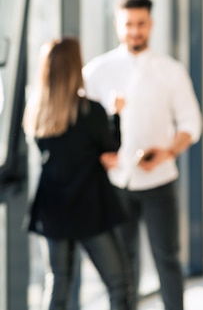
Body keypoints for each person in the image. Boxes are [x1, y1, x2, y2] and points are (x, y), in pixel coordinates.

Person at [82, 0, 202, 310]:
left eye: (141, 23)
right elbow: (83, 126)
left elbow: (192, 122)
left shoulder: (171, 70)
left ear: (151, 24)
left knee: (168, 259)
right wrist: (99, 156)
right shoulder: (96, 71)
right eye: (128, 24)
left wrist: (168, 152)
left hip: (160, 180)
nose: (135, 30)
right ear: (117, 25)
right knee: (123, 266)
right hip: (115, 182)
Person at [23, 37, 132, 310]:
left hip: (52, 206)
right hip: (89, 205)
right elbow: (111, 148)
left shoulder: (37, 111)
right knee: (119, 284)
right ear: (75, 67)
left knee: (58, 283)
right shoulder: (90, 110)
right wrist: (115, 116)